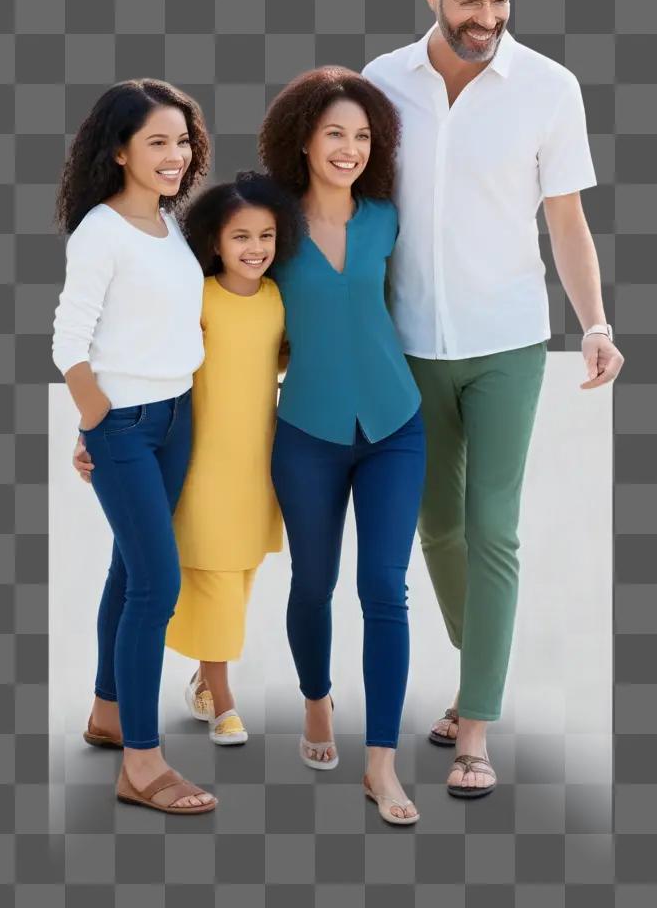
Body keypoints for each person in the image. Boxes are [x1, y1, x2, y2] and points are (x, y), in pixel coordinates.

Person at [362, 0, 625, 798]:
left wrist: (593, 323)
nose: (487, 17)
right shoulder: (379, 84)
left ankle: (475, 727)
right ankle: (486, 675)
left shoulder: (548, 87)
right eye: (469, 0)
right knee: (435, 525)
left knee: (493, 527)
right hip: (405, 345)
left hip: (508, 341)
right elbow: (351, 219)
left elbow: (567, 222)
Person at [74, 173, 303, 747]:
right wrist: (93, 423)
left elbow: (280, 361)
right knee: (215, 575)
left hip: (258, 460)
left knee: (242, 570)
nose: (255, 249)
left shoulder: (278, 300)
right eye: (240, 237)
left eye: (266, 236)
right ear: (214, 244)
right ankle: (222, 697)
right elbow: (139, 352)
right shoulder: (198, 298)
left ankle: (203, 678)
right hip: (200, 457)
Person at [259, 67, 426, 825]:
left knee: (384, 591)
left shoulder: (388, 218)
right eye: (335, 133)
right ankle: (316, 698)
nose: (349, 149)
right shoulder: (270, 224)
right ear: (303, 137)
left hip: (395, 427)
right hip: (308, 434)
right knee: (312, 583)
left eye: (362, 136)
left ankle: (383, 765)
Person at [51, 78, 217, 814]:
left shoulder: (170, 224)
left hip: (177, 416)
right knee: (158, 585)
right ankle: (142, 767)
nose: (175, 155)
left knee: (129, 570)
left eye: (182, 141)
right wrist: (95, 424)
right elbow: (68, 342)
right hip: (125, 425)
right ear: (119, 152)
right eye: (157, 142)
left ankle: (108, 715)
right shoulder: (101, 232)